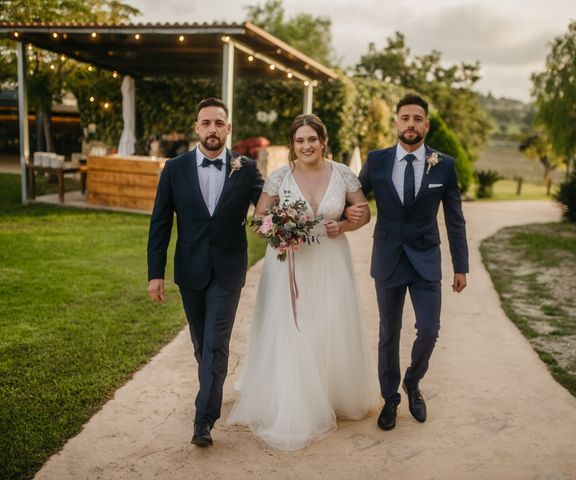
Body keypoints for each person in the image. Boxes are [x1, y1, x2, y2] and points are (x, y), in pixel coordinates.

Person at [227, 114, 378, 450]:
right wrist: (278, 231)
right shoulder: (281, 176)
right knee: (291, 328)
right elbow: (258, 219)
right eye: (299, 141)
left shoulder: (343, 174)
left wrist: (346, 225)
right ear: (293, 145)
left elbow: (363, 211)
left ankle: (329, 392)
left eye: (312, 139)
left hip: (330, 261)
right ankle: (293, 399)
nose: (306, 146)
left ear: (323, 141)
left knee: (328, 324)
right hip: (288, 265)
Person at [147, 97, 264, 447]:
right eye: (206, 123)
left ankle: (204, 419)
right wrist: (156, 273)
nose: (213, 129)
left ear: (228, 128)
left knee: (216, 342)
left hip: (228, 271)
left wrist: (288, 222)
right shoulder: (175, 168)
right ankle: (209, 387)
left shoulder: (247, 168)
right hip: (191, 270)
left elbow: (268, 209)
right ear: (197, 128)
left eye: (219, 123)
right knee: (201, 343)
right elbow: (160, 223)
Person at [355, 93, 469, 431]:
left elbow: (455, 218)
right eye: (405, 118)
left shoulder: (444, 164)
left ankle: (412, 381)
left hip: (425, 260)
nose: (411, 124)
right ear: (396, 124)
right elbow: (353, 198)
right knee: (389, 333)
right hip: (388, 258)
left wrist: (461, 266)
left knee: (430, 330)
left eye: (417, 119)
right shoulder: (376, 161)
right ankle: (390, 398)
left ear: (426, 125)